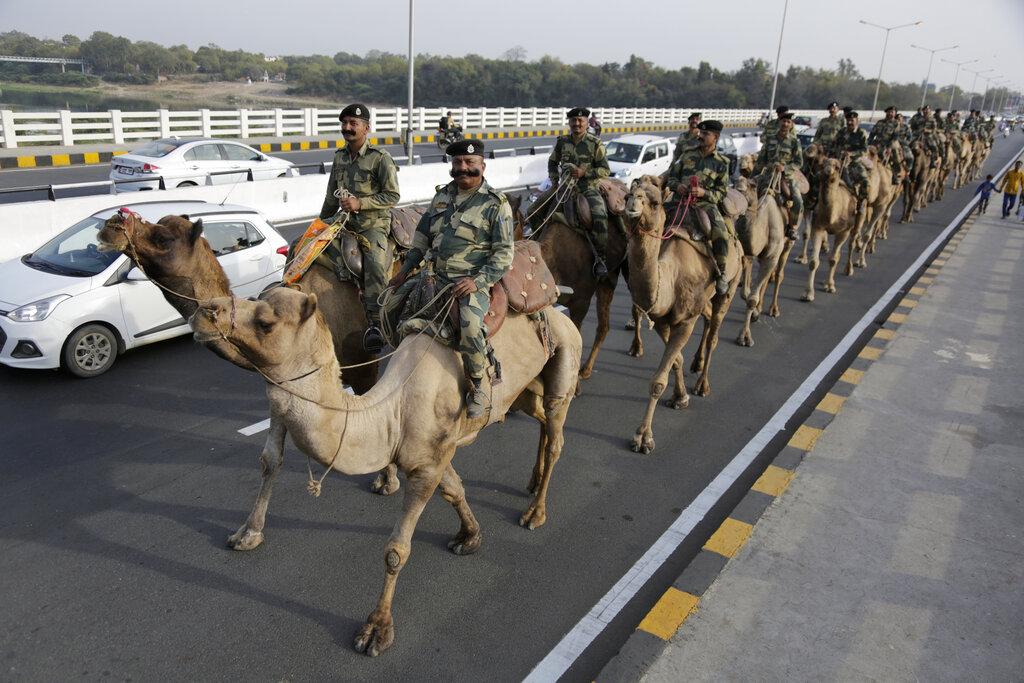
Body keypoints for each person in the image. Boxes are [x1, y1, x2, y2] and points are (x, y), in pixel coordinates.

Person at [386, 138, 514, 418]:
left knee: (469, 327)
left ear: (482, 165)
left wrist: (478, 282)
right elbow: (420, 239)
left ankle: (477, 386)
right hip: (432, 276)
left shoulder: (496, 204)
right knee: (389, 307)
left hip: (468, 282)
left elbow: (504, 255)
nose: (463, 168)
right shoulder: (441, 197)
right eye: (457, 163)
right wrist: (404, 273)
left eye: (469, 163)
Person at [319, 102, 400, 353]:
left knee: (375, 265)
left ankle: (376, 324)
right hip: (344, 224)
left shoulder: (380, 158)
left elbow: (392, 196)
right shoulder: (339, 157)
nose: (347, 128)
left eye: (353, 124)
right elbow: (331, 197)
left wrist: (359, 203)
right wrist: (320, 223)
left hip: (372, 225)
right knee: (308, 250)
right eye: (344, 123)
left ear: (366, 128)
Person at [665, 119, 732, 295]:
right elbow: (672, 177)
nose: (701, 136)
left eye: (705, 134)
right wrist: (676, 186)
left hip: (704, 205)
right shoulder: (687, 154)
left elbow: (721, 192)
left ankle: (722, 271)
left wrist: (704, 193)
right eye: (701, 133)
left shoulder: (721, 162)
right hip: (679, 200)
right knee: (652, 219)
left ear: (715, 137)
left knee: (720, 231)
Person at [548, 107, 611, 277]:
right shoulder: (562, 142)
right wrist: (554, 182)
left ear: (586, 123)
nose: (577, 123)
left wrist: (585, 173)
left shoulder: (594, 143)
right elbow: (552, 162)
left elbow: (605, 170)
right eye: (574, 120)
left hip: (588, 189)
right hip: (565, 188)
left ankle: (600, 258)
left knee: (600, 216)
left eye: (580, 121)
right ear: (569, 122)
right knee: (535, 211)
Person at [753, 111, 803, 239]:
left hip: (786, 178)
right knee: (750, 194)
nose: (785, 124)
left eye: (788, 122)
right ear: (779, 122)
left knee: (798, 200)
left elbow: (798, 162)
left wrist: (784, 168)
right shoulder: (770, 139)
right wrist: (751, 178)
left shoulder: (794, 142)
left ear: (791, 125)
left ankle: (793, 227)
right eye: (783, 121)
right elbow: (761, 161)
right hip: (768, 175)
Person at [830, 110, 870, 215]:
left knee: (865, 181)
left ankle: (860, 203)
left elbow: (864, 150)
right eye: (848, 120)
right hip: (839, 162)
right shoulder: (841, 132)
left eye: (852, 120)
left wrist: (852, 154)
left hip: (854, 163)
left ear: (856, 121)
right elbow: (834, 146)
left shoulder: (861, 133)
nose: (849, 122)